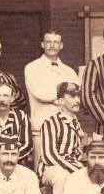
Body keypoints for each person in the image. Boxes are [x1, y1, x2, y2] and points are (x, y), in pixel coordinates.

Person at [24, 30, 79, 166]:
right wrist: (64, 97)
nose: (52, 45)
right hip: (42, 127)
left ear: (61, 45)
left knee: (69, 167)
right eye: (48, 42)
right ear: (42, 44)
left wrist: (57, 98)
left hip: (67, 128)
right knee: (44, 170)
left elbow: (76, 95)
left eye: (56, 42)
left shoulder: (69, 71)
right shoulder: (32, 67)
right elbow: (40, 93)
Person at [39, 82, 86, 194]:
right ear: (60, 101)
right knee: (63, 177)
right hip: (51, 168)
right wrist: (77, 170)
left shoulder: (76, 123)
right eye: (72, 96)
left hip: (73, 166)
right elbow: (49, 155)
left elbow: (77, 153)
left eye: (78, 96)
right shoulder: (51, 122)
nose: (77, 100)